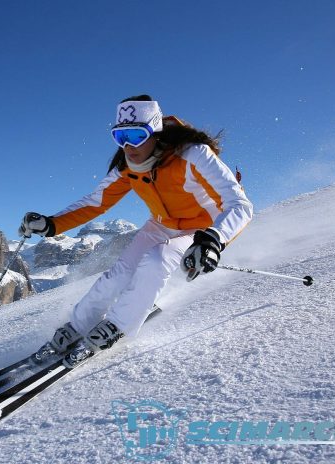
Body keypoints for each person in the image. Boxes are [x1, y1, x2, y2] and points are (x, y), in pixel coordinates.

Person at [18, 95, 253, 368]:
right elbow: (96, 202)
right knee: (119, 273)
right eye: (120, 137)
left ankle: (118, 325)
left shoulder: (192, 154)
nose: (128, 146)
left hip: (202, 226)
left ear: (155, 131)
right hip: (161, 223)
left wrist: (214, 240)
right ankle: (79, 325)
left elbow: (239, 204)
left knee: (156, 261)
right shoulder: (128, 167)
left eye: (136, 135)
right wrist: (51, 224)